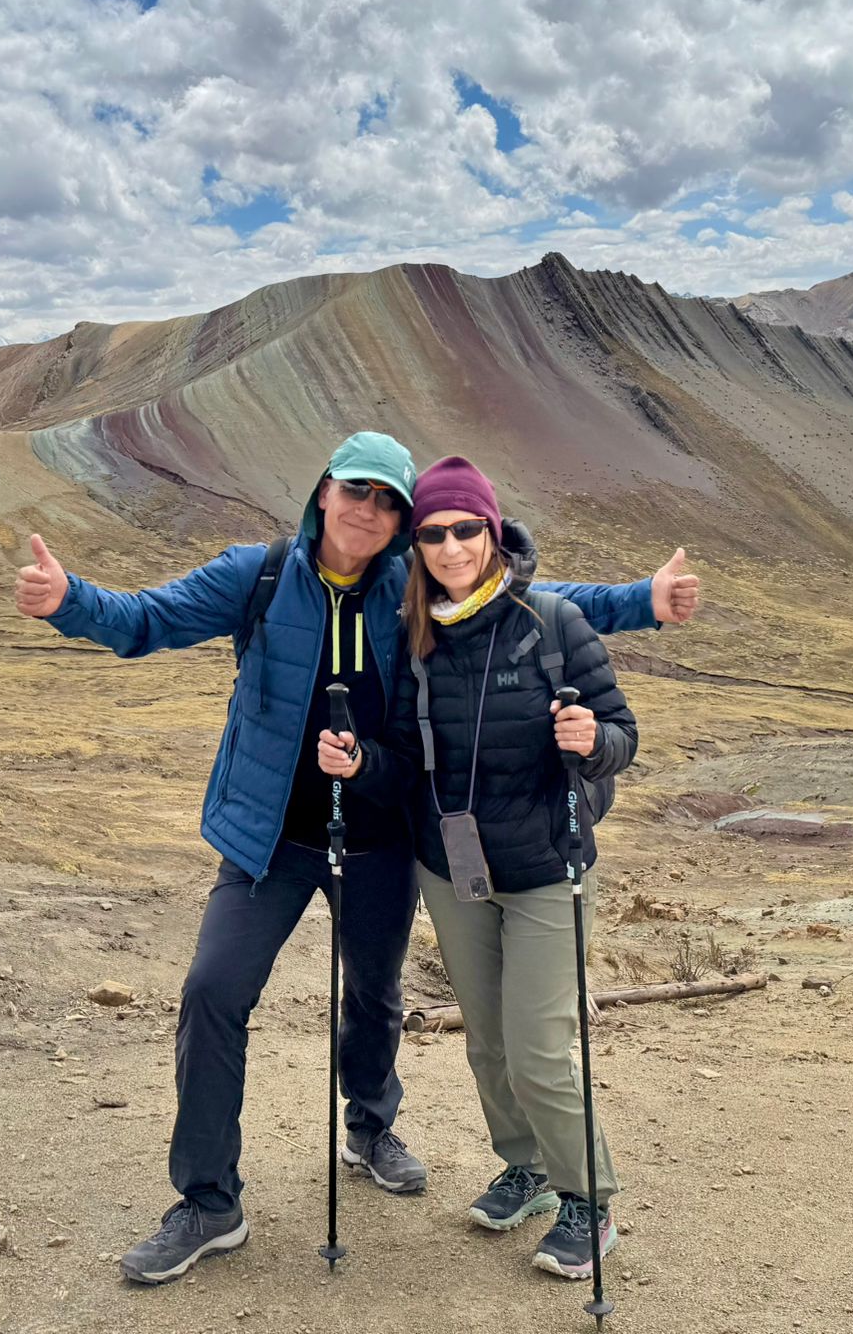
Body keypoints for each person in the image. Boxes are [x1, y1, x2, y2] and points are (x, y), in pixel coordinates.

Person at [12, 433, 699, 1285]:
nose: (368, 512)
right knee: (213, 992)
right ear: (323, 494)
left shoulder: (410, 589)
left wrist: (645, 600)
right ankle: (208, 1202)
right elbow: (149, 617)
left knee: (375, 993)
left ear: (401, 521)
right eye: (355, 492)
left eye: (388, 502)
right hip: (267, 838)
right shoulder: (259, 575)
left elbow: (531, 598)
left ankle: (371, 1129)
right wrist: (68, 600)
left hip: (379, 838)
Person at [318, 455, 634, 1283]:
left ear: (492, 533)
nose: (451, 546)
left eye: (466, 529)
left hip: (546, 867)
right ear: (417, 547)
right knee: (488, 1044)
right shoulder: (414, 635)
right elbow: (404, 757)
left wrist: (592, 742)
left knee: (537, 1050)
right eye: (433, 534)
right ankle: (526, 1166)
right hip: (451, 871)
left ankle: (588, 1198)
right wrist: (361, 763)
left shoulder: (553, 622)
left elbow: (621, 737)